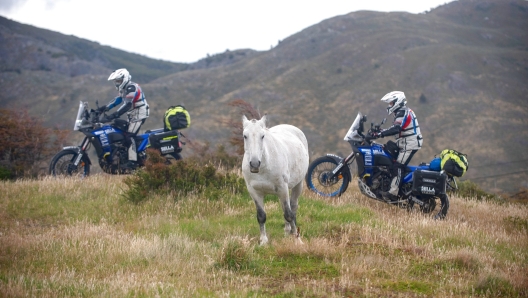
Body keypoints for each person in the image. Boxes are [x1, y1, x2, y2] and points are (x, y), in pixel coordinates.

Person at [370, 91, 423, 201]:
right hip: (405, 141)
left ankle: (393, 192)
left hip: (410, 143)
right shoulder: (402, 111)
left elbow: (396, 128)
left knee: (398, 166)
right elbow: (395, 127)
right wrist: (381, 131)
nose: (389, 105)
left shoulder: (403, 111)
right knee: (387, 150)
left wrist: (381, 134)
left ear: (397, 102)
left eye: (391, 103)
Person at [98, 68, 149, 168]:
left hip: (139, 114)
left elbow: (127, 104)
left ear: (124, 79)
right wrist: (104, 108)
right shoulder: (124, 89)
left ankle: (133, 162)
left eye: (118, 81)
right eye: (116, 81)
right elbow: (117, 100)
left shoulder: (131, 88)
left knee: (130, 136)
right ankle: (125, 156)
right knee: (121, 132)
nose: (117, 83)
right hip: (133, 115)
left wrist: (114, 114)